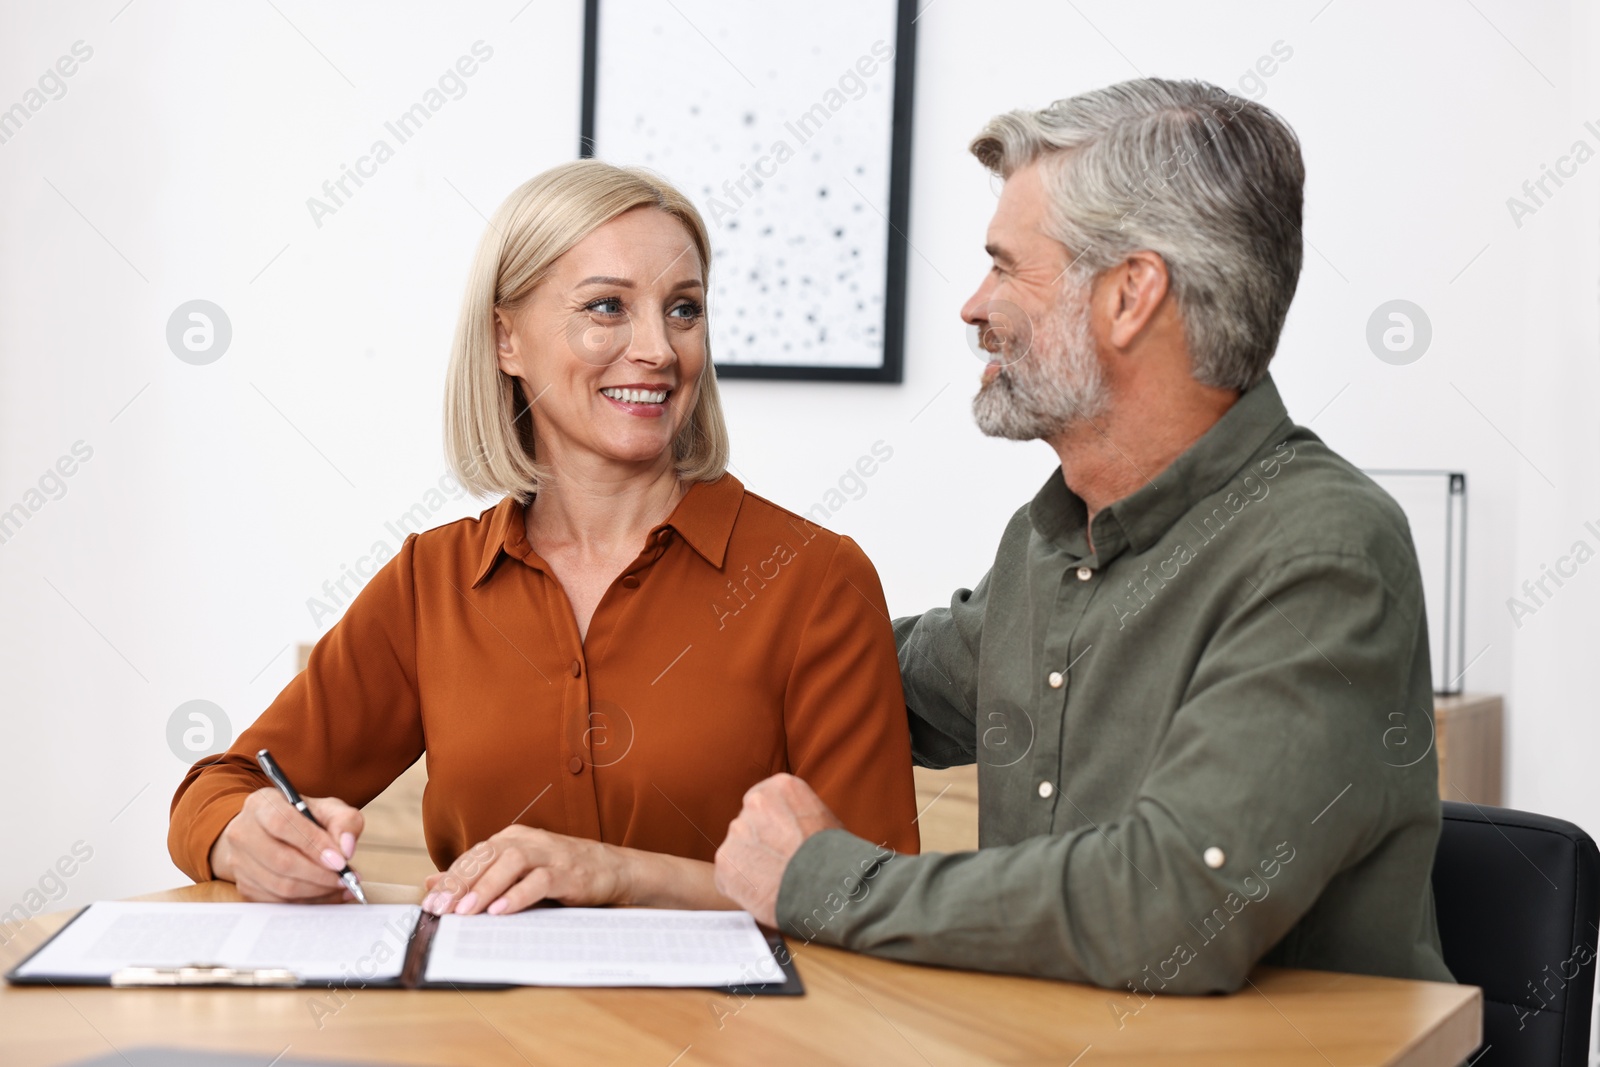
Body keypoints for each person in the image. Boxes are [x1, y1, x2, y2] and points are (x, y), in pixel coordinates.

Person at [713, 78, 1455, 994]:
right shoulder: (1051, 540)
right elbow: (861, 682)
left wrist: (824, 881)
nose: (973, 305)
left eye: (1007, 265)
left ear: (1131, 294)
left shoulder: (1325, 554)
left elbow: (1174, 903)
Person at [169, 160, 919, 916]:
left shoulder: (817, 580)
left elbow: (875, 901)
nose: (659, 348)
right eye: (607, 307)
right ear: (506, 340)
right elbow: (216, 792)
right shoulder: (431, 582)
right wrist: (250, 838)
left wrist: (623, 874)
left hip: (728, 1032)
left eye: (684, 309)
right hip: (475, 1029)